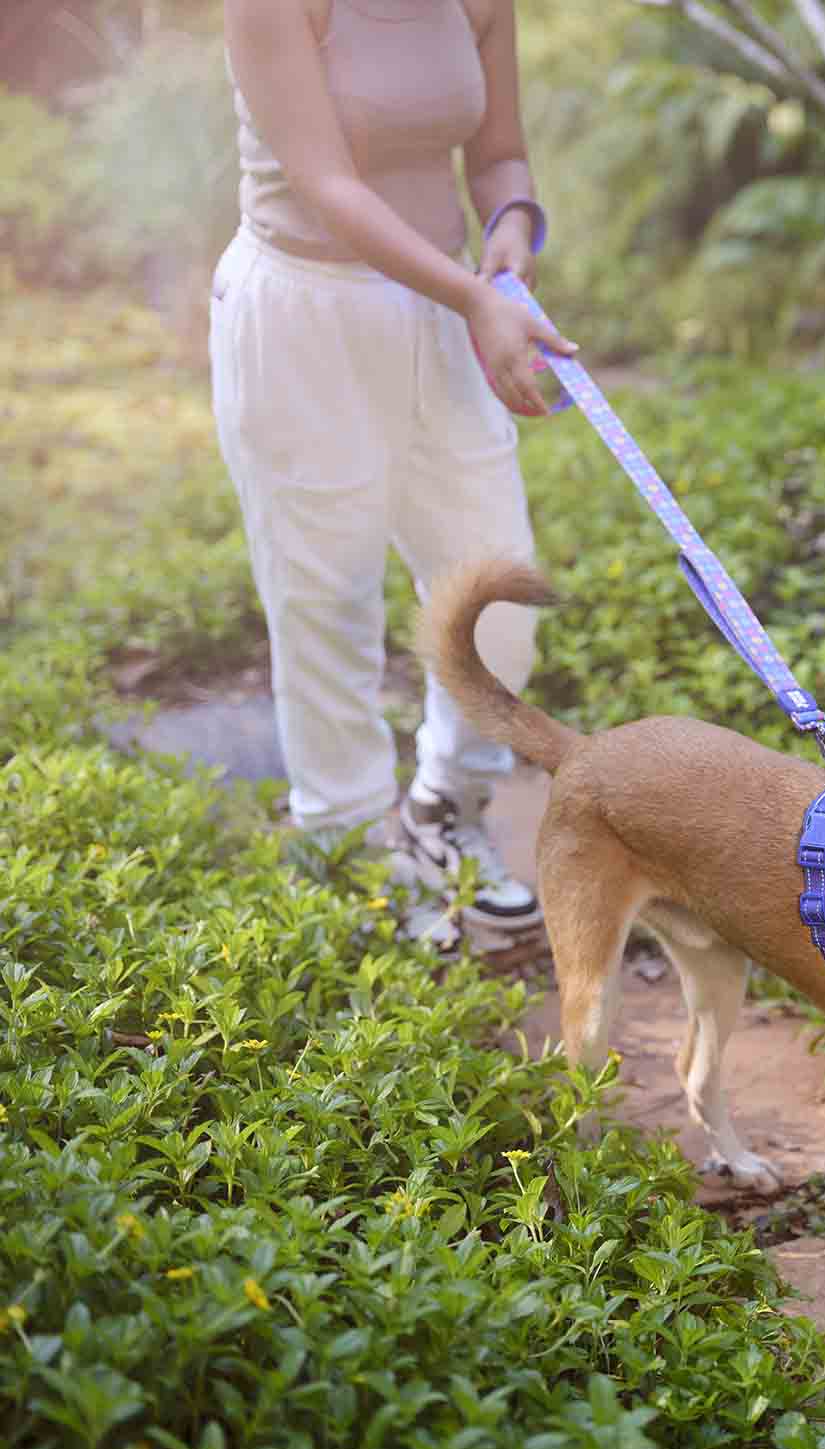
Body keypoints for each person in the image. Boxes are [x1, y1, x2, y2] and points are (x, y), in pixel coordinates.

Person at [212, 0, 574, 947]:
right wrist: (471, 296)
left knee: (498, 592)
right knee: (324, 601)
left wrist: (509, 229)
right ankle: (347, 847)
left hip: (444, 313)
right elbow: (330, 185)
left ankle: (443, 808)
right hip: (304, 315)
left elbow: (499, 149)